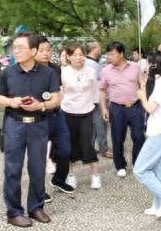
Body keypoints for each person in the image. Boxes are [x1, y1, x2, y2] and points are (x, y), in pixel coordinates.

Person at [0, 32, 61, 227]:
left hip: (39, 125)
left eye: (20, 47)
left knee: (38, 168)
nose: (16, 51)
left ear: (33, 51)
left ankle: (36, 208)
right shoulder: (7, 72)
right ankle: (14, 212)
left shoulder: (48, 73)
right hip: (14, 125)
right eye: (14, 47)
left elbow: (56, 99)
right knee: (12, 169)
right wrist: (11, 101)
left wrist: (40, 105)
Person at [134, 52, 161, 217]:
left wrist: (141, 96)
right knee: (158, 171)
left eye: (148, 63)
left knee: (140, 170)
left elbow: (150, 108)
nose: (145, 66)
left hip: (160, 132)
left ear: (154, 65)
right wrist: (144, 85)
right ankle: (160, 206)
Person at [35, 36, 73, 203]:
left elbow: (58, 92)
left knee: (65, 151)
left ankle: (58, 179)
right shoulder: (29, 71)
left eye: (48, 50)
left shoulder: (55, 69)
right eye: (41, 50)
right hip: (38, 118)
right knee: (38, 157)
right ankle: (39, 190)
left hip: (57, 116)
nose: (46, 53)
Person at [99, 42, 145, 178]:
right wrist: (103, 108)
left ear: (121, 54)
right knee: (117, 138)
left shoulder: (136, 67)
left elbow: (142, 85)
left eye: (112, 54)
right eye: (108, 54)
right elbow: (101, 90)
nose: (109, 57)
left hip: (135, 107)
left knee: (139, 136)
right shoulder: (106, 70)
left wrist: (145, 103)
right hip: (117, 108)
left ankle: (138, 163)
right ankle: (120, 166)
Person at [61, 43, 102, 190]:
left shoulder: (91, 71)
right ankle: (71, 176)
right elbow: (60, 93)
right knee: (70, 145)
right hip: (67, 112)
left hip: (86, 112)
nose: (78, 58)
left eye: (81, 54)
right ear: (69, 56)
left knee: (87, 144)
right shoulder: (63, 71)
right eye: (75, 55)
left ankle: (96, 176)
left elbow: (96, 92)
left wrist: (99, 109)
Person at [86, 41, 113, 159]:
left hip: (89, 99)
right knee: (101, 123)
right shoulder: (92, 64)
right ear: (94, 48)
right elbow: (101, 83)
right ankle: (104, 149)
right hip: (97, 98)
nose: (101, 50)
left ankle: (89, 148)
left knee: (92, 125)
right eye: (100, 47)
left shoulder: (87, 62)